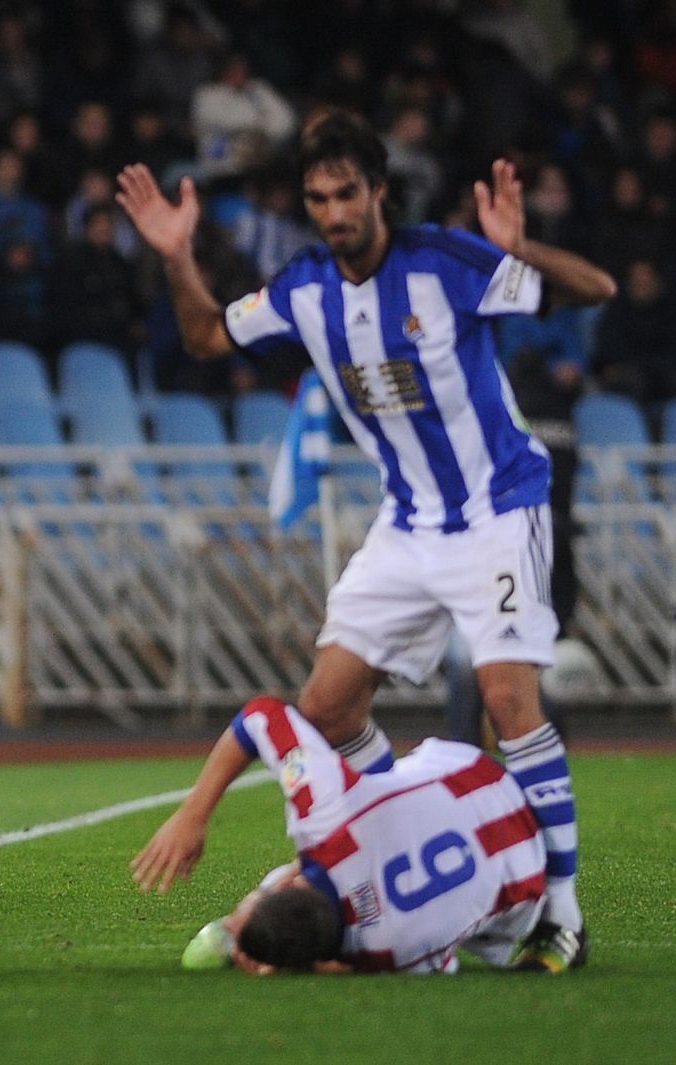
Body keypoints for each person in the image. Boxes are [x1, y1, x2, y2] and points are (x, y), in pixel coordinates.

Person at [114, 110, 618, 970]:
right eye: (319, 197)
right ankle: (388, 844)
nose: (334, 210)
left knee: (506, 700)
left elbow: (597, 287)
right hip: (407, 523)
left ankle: (559, 916)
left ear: (379, 191)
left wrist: (517, 248)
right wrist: (176, 252)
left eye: (348, 192)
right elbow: (204, 335)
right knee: (326, 711)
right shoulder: (305, 288)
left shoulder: (444, 262)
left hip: (498, 507)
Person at [136, 696, 555, 974]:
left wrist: (322, 962)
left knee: (452, 916)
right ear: (291, 882)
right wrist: (194, 815)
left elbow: (440, 966)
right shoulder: (325, 818)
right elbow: (261, 715)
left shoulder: (387, 953)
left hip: (527, 871)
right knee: (341, 746)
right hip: (475, 775)